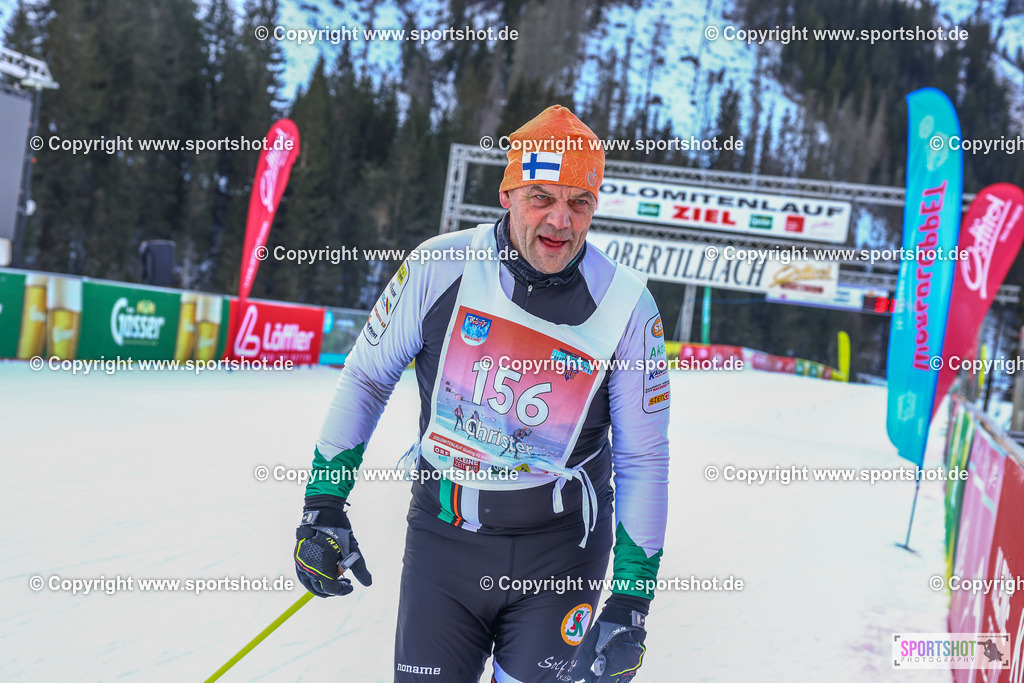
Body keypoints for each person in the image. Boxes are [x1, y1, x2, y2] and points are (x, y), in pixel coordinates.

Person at [293, 105, 670, 683]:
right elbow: (367, 377)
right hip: (444, 545)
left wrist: (631, 602)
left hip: (561, 556)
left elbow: (642, 458)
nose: (560, 221)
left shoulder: (627, 309)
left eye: (579, 202)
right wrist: (322, 506)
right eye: (541, 196)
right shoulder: (439, 265)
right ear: (507, 193)